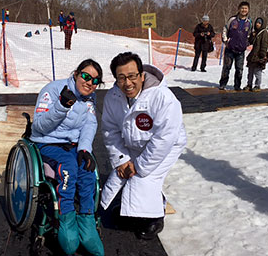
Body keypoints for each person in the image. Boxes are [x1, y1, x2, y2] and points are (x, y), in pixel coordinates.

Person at [100, 52, 187, 240]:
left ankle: (155, 218)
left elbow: (165, 138)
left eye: (132, 76)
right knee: (120, 176)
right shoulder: (112, 97)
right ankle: (131, 211)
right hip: (135, 142)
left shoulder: (162, 97)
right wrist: (122, 160)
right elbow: (110, 131)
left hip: (167, 145)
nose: (127, 83)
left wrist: (139, 166)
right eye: (121, 78)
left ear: (141, 75)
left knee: (142, 178)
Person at [30, 59, 104, 256]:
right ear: (76, 73)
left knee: (87, 170)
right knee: (69, 167)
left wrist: (85, 149)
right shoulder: (53, 90)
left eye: (95, 81)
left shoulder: (90, 98)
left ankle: (87, 218)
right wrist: (61, 106)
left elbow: (90, 124)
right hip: (47, 141)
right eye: (86, 76)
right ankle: (67, 218)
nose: (90, 83)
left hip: (72, 145)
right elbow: (38, 127)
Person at [219, 1, 252, 91]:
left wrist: (247, 43)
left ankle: (237, 86)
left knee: (239, 69)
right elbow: (225, 29)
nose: (244, 10)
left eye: (245, 8)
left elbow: (250, 35)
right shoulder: (232, 19)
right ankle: (222, 84)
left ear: (248, 10)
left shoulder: (249, 22)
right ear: (239, 9)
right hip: (230, 48)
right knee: (226, 68)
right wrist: (225, 40)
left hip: (241, 50)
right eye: (242, 8)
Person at [243, 17, 268, 92]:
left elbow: (264, 44)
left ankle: (257, 85)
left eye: (259, 23)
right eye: (257, 23)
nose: (257, 24)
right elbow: (250, 41)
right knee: (250, 71)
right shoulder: (255, 32)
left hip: (259, 55)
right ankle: (249, 84)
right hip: (253, 55)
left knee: (257, 72)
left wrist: (263, 54)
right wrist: (252, 35)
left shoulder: (264, 32)